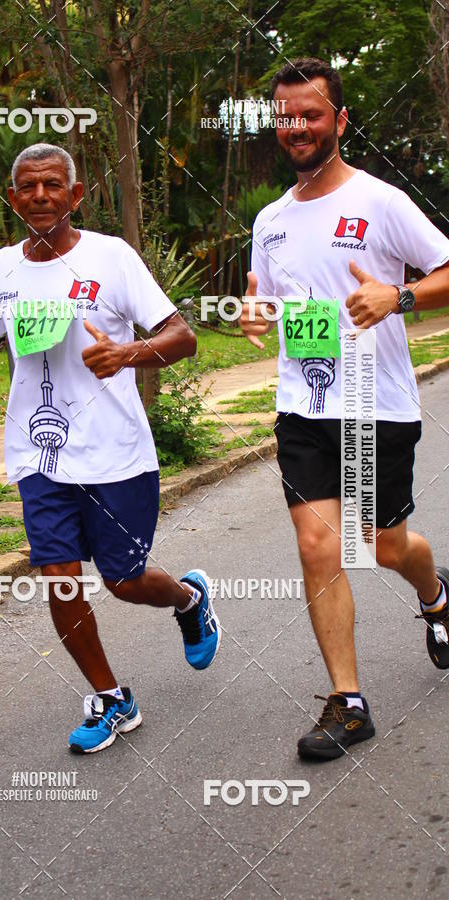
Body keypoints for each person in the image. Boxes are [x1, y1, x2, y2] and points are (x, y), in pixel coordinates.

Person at [0, 143, 221, 754]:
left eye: (54, 185)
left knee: (124, 580)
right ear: (13, 196)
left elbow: (183, 337)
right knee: (60, 577)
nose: (41, 196)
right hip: (38, 453)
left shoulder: (112, 257)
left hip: (116, 452)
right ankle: (111, 697)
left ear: (75, 196)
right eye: (28, 186)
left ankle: (189, 597)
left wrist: (125, 354)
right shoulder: (0, 269)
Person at [240, 58, 449, 761]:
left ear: (339, 120)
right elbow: (270, 299)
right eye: (285, 116)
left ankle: (436, 593)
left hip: (374, 404)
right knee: (317, 545)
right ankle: (348, 701)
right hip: (303, 405)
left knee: (384, 545)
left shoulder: (381, 202)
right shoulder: (268, 222)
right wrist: (254, 312)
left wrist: (402, 296)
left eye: (311, 113)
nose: (297, 127)